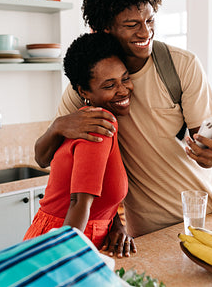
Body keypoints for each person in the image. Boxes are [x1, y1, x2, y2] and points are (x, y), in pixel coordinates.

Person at [34, 0, 212, 238]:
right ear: (106, 27)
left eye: (150, 20)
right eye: (131, 24)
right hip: (147, 232)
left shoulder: (181, 65)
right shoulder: (88, 88)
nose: (145, 32)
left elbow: (205, 149)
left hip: (204, 217)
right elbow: (44, 159)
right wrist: (58, 126)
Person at [23, 32, 136, 258]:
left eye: (125, 78)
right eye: (109, 85)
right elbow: (79, 203)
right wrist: (65, 264)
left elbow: (97, 192)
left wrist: (116, 223)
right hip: (67, 238)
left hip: (70, 234)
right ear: (84, 92)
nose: (123, 90)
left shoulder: (88, 119)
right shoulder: (99, 123)